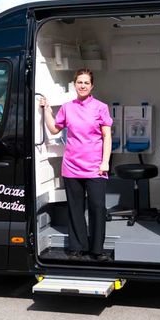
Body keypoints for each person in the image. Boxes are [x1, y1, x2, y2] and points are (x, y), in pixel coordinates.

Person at [40, 68, 113, 261]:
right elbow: (55, 129)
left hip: (96, 167)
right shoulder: (67, 107)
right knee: (75, 209)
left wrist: (105, 162)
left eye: (86, 83)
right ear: (74, 84)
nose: (82, 85)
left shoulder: (100, 107)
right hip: (71, 167)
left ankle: (97, 250)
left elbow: (107, 136)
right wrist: (46, 110)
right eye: (79, 82)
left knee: (97, 207)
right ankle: (77, 246)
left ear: (92, 86)